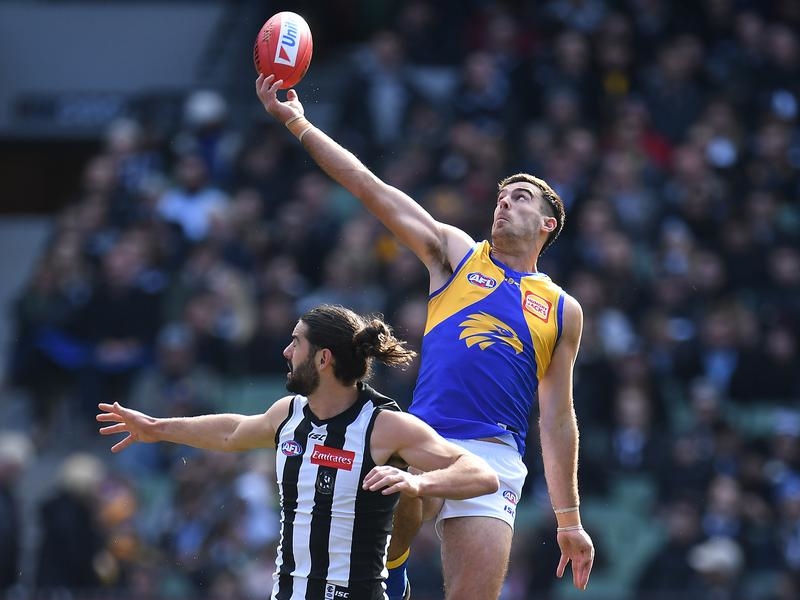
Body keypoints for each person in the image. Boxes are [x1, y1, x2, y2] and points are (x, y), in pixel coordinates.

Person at [255, 74, 595, 599]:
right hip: (426, 438)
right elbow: (369, 187)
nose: (503, 204)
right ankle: (392, 576)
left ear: (548, 224)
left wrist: (568, 519)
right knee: (400, 484)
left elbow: (557, 417)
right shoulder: (458, 256)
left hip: (493, 457)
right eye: (501, 197)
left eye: (520, 198)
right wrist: (298, 123)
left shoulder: (562, 309)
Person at [97, 304, 498, 600]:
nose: (286, 352)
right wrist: (156, 428)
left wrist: (417, 483)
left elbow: (482, 475)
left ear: (323, 358)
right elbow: (232, 432)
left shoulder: (384, 425)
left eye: (295, 342)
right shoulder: (288, 414)